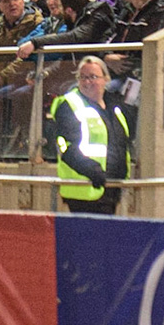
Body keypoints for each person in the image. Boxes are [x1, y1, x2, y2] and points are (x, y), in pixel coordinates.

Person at [49, 55, 130, 214]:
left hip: (112, 188)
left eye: (93, 77)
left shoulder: (114, 106)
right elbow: (64, 145)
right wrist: (93, 171)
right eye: (83, 77)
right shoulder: (70, 104)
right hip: (85, 189)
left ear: (106, 79)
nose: (87, 82)